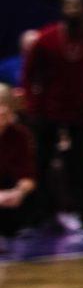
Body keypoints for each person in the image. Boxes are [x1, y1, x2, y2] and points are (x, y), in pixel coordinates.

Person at [22, 0, 83, 231]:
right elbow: (29, 75)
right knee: (42, 162)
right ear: (62, 9)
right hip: (48, 112)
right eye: (69, 6)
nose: (73, 10)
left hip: (80, 113)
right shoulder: (47, 37)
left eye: (77, 6)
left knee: (80, 165)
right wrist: (33, 106)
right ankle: (43, 215)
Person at [0, 97, 37, 252]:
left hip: (8, 191)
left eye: (5, 112)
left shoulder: (19, 135)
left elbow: (28, 174)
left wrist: (18, 193)